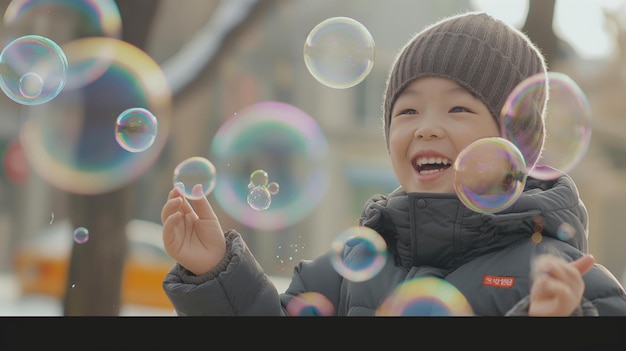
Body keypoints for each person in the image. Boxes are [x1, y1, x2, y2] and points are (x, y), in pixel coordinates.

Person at [160, 11, 626, 316]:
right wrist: (216, 273)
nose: (425, 127)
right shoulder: (345, 270)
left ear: (516, 142)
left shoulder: (568, 282)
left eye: (458, 108)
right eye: (406, 111)